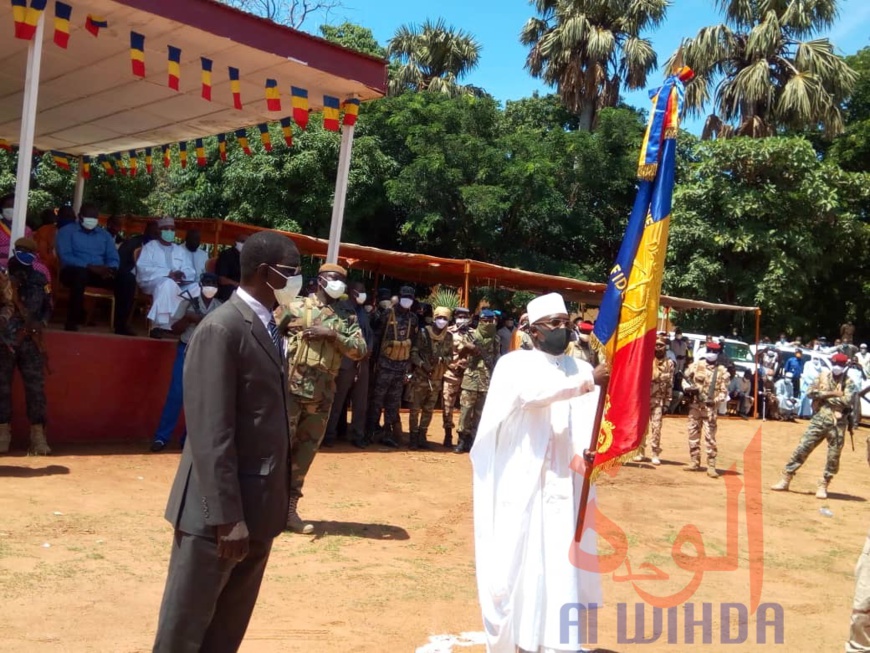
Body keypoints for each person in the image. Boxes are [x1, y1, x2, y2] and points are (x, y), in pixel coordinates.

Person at [152, 230, 299, 652]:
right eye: (290, 272)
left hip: (256, 511)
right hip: (217, 517)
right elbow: (211, 432)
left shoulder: (268, 327)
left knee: (224, 633)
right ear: (264, 273)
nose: (296, 281)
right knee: (184, 631)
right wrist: (226, 517)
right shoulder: (223, 328)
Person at [470, 292, 608, 653]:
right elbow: (534, 396)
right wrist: (590, 380)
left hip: (566, 481)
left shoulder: (580, 368)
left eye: (566, 323)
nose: (563, 330)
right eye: (554, 324)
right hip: (523, 480)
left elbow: (587, 418)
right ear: (533, 331)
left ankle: (557, 641)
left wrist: (590, 453)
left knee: (562, 561)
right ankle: (517, 639)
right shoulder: (514, 365)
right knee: (521, 560)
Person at [280, 263, 366, 534]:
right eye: (334, 278)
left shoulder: (347, 315)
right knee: (277, 450)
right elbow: (270, 333)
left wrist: (333, 334)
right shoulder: (295, 307)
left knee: (303, 456)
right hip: (290, 392)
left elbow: (360, 350)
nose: (339, 283)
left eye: (342, 279)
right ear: (319, 280)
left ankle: (289, 511)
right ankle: (262, 508)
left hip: (322, 396)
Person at [150, 273, 223, 453]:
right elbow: (174, 329)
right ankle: (161, 437)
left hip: (208, 353)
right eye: (207, 283)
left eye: (213, 283)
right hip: (186, 349)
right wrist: (188, 318)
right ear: (200, 284)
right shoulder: (188, 303)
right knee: (176, 395)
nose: (210, 286)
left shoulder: (220, 307)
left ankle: (187, 440)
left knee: (200, 399)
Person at [771, 352, 857, 499]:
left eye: (841, 365)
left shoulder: (849, 382)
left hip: (837, 423)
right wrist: (832, 393)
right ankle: (786, 478)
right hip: (818, 420)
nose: (837, 367)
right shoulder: (822, 377)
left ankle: (824, 483)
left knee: (833, 456)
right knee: (802, 448)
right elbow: (810, 392)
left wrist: (824, 396)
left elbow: (847, 401)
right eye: (835, 364)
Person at [0, 238, 52, 455]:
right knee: (1, 388)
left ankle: (38, 436)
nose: (24, 254)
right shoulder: (4, 277)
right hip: (6, 341)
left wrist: (41, 323)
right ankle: (3, 433)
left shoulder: (40, 278)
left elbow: (48, 306)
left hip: (31, 341)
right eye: (21, 250)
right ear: (14, 251)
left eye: (29, 251)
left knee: (35, 390)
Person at [323, 281, 374, 449]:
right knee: (337, 401)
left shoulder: (363, 312)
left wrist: (368, 351)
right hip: (345, 362)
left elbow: (369, 335)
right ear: (352, 292)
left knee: (360, 403)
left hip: (363, 362)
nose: (363, 294)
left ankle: (357, 435)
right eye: (361, 291)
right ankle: (329, 435)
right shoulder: (340, 309)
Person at [366, 285, 417, 448]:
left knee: (393, 403)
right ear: (399, 296)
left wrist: (409, 367)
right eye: (404, 296)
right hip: (384, 365)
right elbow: (377, 336)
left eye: (410, 297)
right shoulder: (387, 314)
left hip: (401, 366)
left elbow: (412, 343)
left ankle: (388, 434)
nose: (407, 300)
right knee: (377, 400)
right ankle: (370, 432)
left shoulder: (413, 319)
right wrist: (374, 360)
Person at [56, 203, 119, 332]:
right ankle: (72, 321)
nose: (92, 220)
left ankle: (121, 324)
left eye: (94, 217)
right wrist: (89, 266)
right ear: (80, 216)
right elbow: (66, 256)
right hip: (72, 271)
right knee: (80, 275)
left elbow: (113, 257)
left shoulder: (104, 235)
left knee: (126, 279)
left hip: (100, 272)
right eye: (88, 216)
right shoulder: (66, 231)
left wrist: (111, 268)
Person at [136, 217, 197, 335]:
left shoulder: (179, 250)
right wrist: (168, 273)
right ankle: (159, 325)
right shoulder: (150, 247)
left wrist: (183, 275)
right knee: (167, 283)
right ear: (159, 231)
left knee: (197, 288)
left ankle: (179, 323)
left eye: (172, 229)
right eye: (166, 229)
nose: (170, 232)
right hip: (152, 282)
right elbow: (143, 268)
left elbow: (190, 270)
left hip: (178, 284)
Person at [408, 306, 454, 450]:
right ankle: (413, 437)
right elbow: (414, 353)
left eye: (445, 318)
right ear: (434, 318)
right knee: (415, 408)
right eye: (439, 318)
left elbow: (450, 357)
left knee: (429, 409)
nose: (442, 321)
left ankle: (422, 435)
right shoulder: (423, 333)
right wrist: (422, 365)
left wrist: (441, 360)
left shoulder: (448, 337)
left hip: (436, 378)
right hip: (421, 377)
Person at [455, 309, 500, 454]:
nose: (488, 323)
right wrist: (468, 348)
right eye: (485, 321)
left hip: (487, 380)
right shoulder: (470, 336)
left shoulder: (496, 339)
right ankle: (462, 439)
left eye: (490, 321)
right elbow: (460, 354)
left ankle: (474, 440)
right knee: (466, 411)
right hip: (471, 378)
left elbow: (497, 358)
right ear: (480, 321)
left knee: (480, 414)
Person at [682, 340, 729, 479]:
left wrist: (713, 401)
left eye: (714, 352)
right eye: (709, 351)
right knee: (693, 434)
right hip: (695, 406)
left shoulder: (722, 371)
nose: (711, 354)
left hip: (710, 409)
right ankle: (694, 462)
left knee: (710, 438)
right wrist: (688, 388)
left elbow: (724, 392)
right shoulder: (696, 366)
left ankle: (711, 465)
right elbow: (685, 378)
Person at [635, 335, 674, 465]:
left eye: (661, 345)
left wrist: (668, 402)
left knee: (656, 428)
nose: (658, 347)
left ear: (665, 347)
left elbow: (670, 385)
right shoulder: (647, 360)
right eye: (656, 345)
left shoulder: (669, 364)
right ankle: (640, 452)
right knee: (642, 428)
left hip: (658, 401)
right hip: (644, 399)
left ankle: (655, 453)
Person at [115, 221, 160, 336]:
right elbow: (122, 264)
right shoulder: (133, 243)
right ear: (146, 231)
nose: (156, 234)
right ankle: (121, 324)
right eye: (153, 232)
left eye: (157, 232)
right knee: (127, 281)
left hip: (158, 278)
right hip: (135, 276)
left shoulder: (163, 247)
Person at [442, 306, 471, 448]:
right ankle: (448, 434)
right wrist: (452, 365)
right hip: (451, 373)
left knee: (466, 407)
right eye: (460, 316)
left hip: (468, 376)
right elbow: (442, 352)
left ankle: (463, 436)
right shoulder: (448, 332)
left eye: (465, 316)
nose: (462, 319)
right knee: (448, 405)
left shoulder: (474, 333)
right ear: (455, 317)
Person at [0, 194, 33, 270]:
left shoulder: (27, 229)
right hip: (2, 262)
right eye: (8, 206)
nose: (12, 209)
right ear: (1, 209)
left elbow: (31, 248)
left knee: (41, 269)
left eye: (14, 206)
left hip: (23, 261)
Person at [215, 234, 247, 302]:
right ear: (236, 243)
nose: (245, 244)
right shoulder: (226, 255)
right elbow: (222, 280)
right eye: (243, 241)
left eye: (247, 242)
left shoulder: (248, 258)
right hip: (229, 289)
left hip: (245, 289)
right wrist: (238, 285)